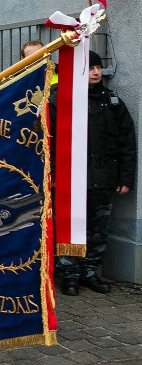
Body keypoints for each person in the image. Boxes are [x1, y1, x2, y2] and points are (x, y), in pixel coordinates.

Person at [52, 51, 137, 296]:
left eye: (98, 67)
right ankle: (69, 274)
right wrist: (54, 175)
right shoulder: (60, 100)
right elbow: (50, 142)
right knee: (69, 226)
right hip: (70, 179)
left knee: (98, 228)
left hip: (103, 178)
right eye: (90, 68)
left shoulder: (113, 102)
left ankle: (90, 272)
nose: (96, 72)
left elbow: (126, 142)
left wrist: (125, 178)